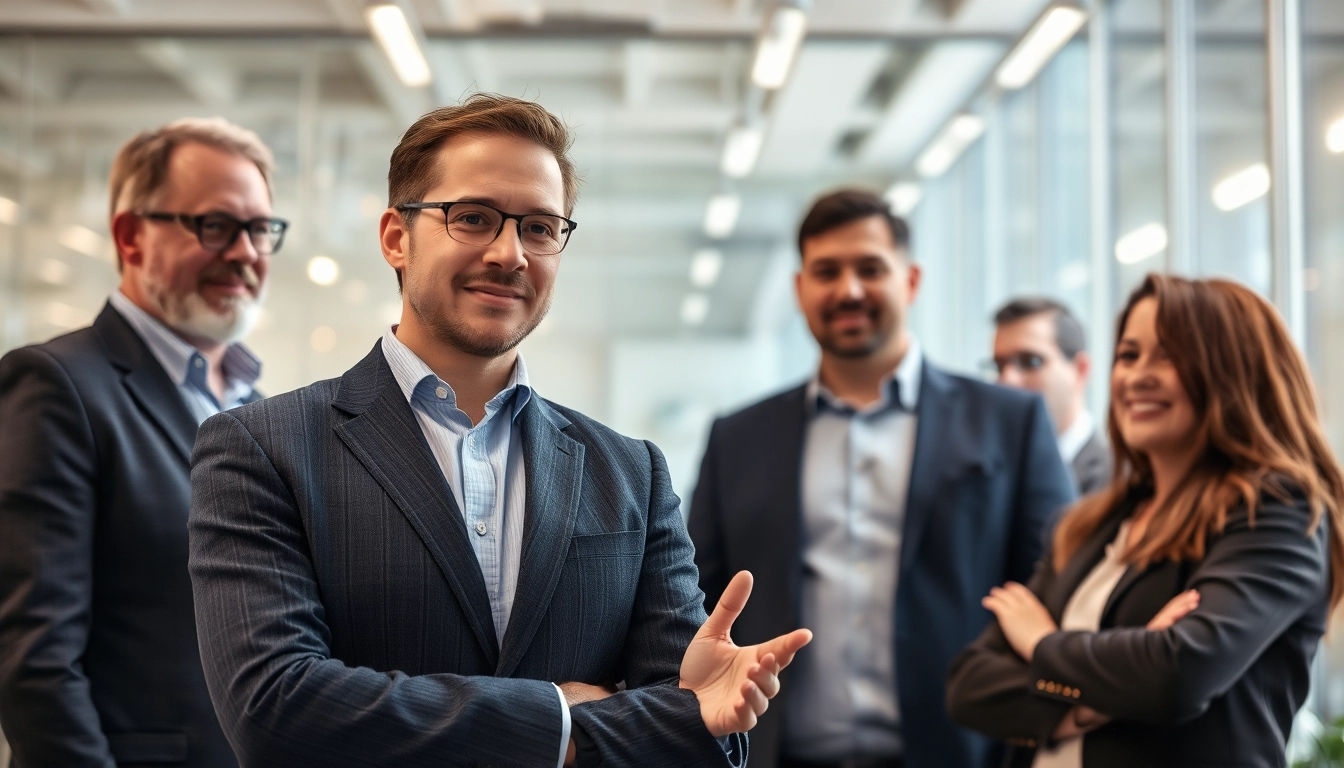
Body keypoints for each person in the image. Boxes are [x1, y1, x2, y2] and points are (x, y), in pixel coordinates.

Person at [187, 94, 812, 768]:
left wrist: (695, 717)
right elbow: (276, 709)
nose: (510, 254)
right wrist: (558, 719)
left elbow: (696, 729)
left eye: (540, 228)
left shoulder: (632, 473)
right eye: (473, 218)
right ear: (396, 236)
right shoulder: (263, 449)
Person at [687, 188, 1077, 768]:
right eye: (827, 272)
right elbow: (695, 598)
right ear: (800, 288)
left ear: (911, 281)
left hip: (965, 753)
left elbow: (1058, 584)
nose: (849, 290)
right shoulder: (738, 438)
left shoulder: (1009, 423)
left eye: (870, 269)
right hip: (777, 755)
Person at [947, 274, 1344, 767]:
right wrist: (1096, 702)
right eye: (1129, 355)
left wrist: (1042, 642)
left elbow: (1177, 676)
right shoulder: (1091, 523)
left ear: (1234, 370)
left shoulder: (1277, 511)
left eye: (1169, 355)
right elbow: (971, 684)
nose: (1137, 376)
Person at [0, 117, 282, 767]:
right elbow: (34, 658)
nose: (245, 252)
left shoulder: (261, 411)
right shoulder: (57, 386)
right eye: (216, 225)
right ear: (131, 235)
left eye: (260, 228)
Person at [991, 298, 1112, 495]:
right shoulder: (994, 471)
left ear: (1080, 370)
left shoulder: (1116, 481)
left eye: (1030, 361)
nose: (1007, 380)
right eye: (999, 366)